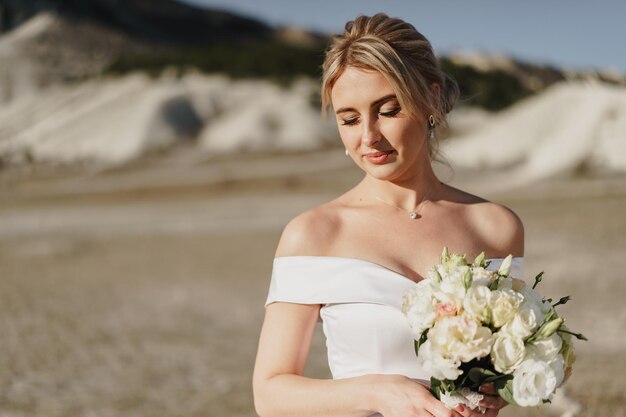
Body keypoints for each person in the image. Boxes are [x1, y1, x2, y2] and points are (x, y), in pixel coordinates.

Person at [253, 13, 524, 417]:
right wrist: (378, 393)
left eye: (388, 110)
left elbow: (506, 367)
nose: (368, 136)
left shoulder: (496, 227)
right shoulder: (314, 234)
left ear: (430, 98)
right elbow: (270, 395)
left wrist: (497, 392)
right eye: (349, 119)